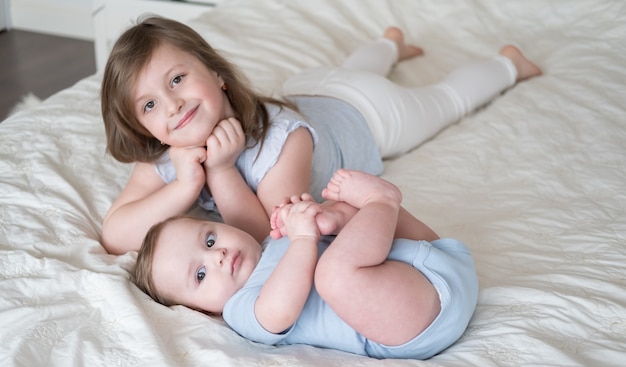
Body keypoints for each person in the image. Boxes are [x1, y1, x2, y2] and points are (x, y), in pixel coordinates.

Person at [101, 16, 542, 254]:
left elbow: (272, 232)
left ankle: (509, 63)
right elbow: (116, 234)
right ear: (143, 125)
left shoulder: (284, 143)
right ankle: (390, 43)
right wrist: (182, 187)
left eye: (177, 79)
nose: (172, 105)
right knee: (350, 70)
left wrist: (219, 171)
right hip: (310, 86)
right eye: (150, 104)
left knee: (443, 101)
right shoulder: (165, 153)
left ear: (216, 72)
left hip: (366, 110)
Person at [132, 169, 479, 359]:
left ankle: (373, 207)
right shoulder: (241, 309)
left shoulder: (273, 239)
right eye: (201, 274)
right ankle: (382, 201)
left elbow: (356, 242)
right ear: (203, 311)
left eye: (209, 240)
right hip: (416, 321)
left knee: (343, 216)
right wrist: (302, 239)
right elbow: (281, 310)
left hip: (439, 260)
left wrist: (318, 217)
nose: (217, 255)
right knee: (332, 276)